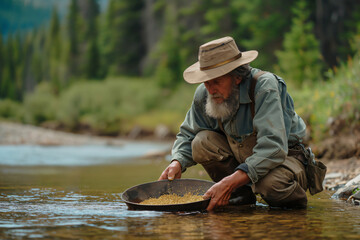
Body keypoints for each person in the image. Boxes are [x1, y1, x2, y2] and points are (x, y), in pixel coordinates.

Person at [158, 36, 322, 211]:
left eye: (216, 81)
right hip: (244, 160)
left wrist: (230, 181)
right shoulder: (205, 93)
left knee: (270, 184)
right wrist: (177, 162)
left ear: (236, 77)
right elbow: (188, 135)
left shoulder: (265, 87)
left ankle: (292, 210)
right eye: (206, 81)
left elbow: (273, 147)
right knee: (201, 142)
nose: (210, 89)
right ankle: (240, 196)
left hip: (284, 159)